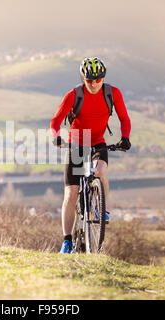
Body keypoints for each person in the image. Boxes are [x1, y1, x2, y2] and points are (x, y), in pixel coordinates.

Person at [50, 57, 132, 254]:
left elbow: (124, 118)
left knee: (100, 170)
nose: (94, 84)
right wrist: (57, 138)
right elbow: (55, 122)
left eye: (98, 79)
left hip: (97, 142)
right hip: (77, 142)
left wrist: (125, 138)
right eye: (89, 80)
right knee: (71, 193)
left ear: (103, 78)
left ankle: (100, 208)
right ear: (83, 78)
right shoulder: (74, 95)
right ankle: (67, 240)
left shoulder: (113, 93)